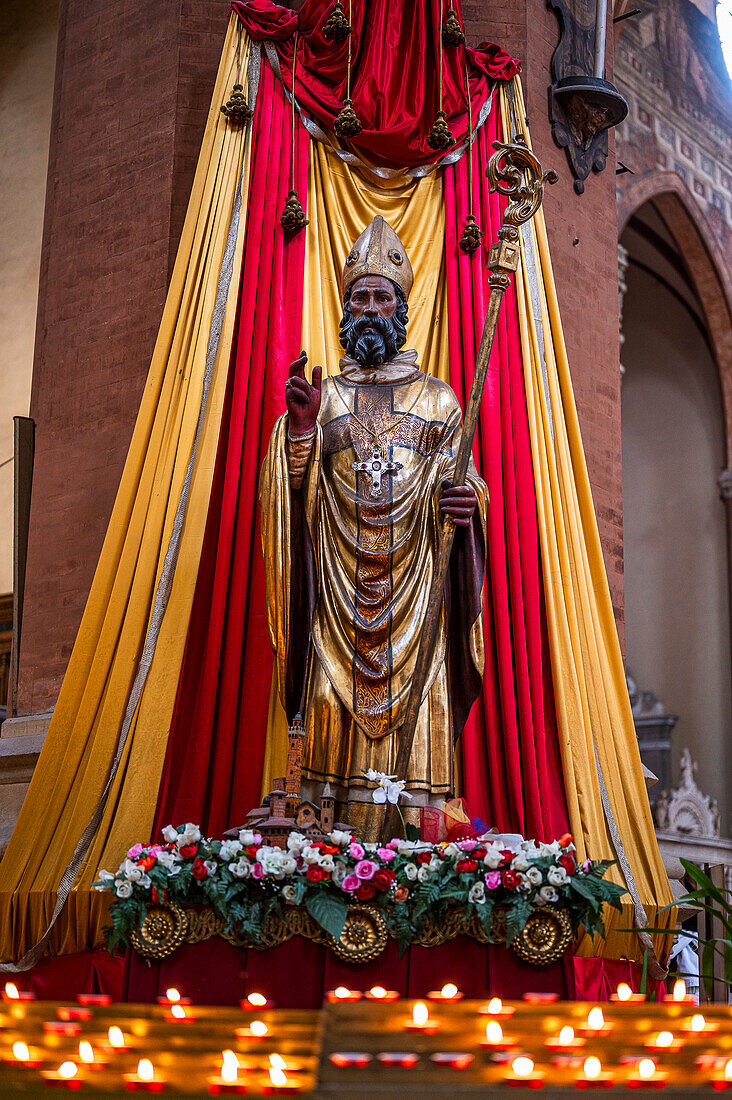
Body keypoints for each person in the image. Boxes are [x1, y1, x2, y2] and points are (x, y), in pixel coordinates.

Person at [260, 216, 488, 837]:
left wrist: (467, 504)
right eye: (358, 297)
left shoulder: (439, 399)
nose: (369, 307)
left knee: (427, 710)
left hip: (418, 602)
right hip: (336, 601)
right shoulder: (323, 394)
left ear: (401, 307)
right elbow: (291, 493)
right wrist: (302, 433)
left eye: (381, 296)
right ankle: (326, 839)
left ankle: (420, 839)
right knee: (331, 705)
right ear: (345, 308)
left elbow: (465, 488)